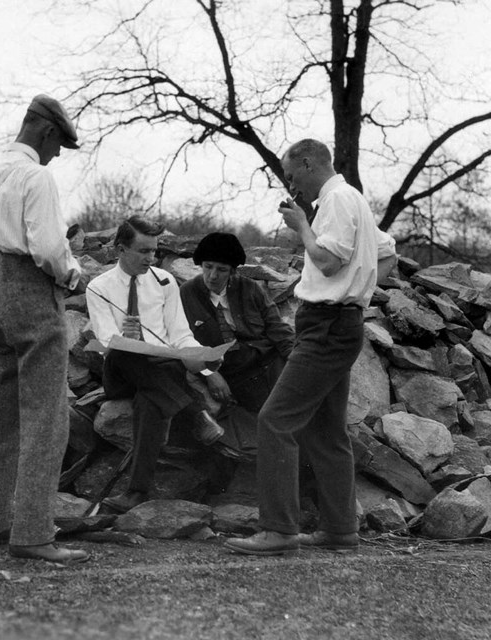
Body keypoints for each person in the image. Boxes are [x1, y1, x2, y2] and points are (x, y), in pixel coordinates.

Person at [224, 138, 396, 556]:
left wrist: (302, 226)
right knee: (326, 431)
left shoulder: (334, 200)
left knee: (274, 420)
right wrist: (361, 288)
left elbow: (329, 261)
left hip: (326, 326)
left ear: (307, 162)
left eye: (290, 174)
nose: (290, 183)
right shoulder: (352, 198)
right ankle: (340, 530)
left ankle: (278, 529)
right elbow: (387, 251)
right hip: (341, 323)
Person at [0, 94, 89, 564]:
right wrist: (71, 275)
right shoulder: (36, 175)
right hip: (30, 287)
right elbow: (49, 248)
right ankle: (34, 533)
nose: (56, 155)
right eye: (59, 146)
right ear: (48, 132)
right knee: (46, 416)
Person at [86, 215, 227, 514]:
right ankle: (195, 412)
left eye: (154, 250)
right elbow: (105, 338)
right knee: (125, 352)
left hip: (162, 369)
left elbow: (179, 333)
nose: (151, 258)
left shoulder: (164, 282)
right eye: (143, 251)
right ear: (120, 249)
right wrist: (126, 339)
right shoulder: (98, 286)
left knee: (150, 402)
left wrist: (204, 360)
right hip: (122, 368)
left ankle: (136, 492)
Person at [180, 232, 294, 413]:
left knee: (304, 404)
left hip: (268, 360)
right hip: (234, 372)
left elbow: (276, 326)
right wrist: (209, 374)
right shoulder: (186, 293)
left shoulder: (250, 288)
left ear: (232, 271)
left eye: (222, 270)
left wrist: (295, 360)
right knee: (275, 415)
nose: (213, 276)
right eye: (208, 267)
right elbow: (181, 342)